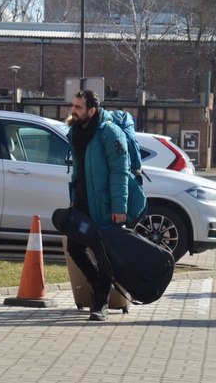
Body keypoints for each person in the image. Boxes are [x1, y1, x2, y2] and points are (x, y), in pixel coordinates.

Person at [66, 89, 131, 322]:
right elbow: (77, 169)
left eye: (78, 107)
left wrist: (119, 207)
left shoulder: (109, 133)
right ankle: (97, 285)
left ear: (91, 110)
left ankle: (101, 302)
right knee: (74, 246)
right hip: (82, 203)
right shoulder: (76, 132)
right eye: (73, 105)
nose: (73, 110)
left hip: (104, 205)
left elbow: (120, 171)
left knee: (104, 254)